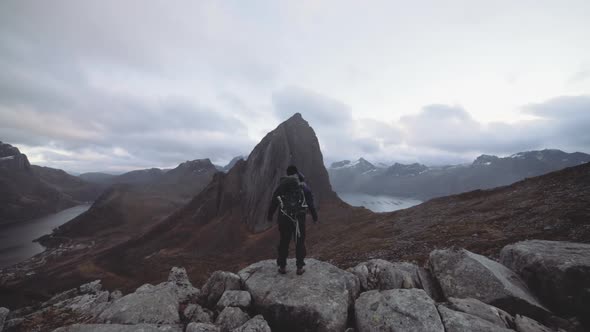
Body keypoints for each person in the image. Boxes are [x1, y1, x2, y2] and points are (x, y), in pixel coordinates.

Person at [267, 165, 318, 275]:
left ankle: (282, 266)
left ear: (287, 173)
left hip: (284, 218)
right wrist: (314, 217)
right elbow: (310, 203)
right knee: (299, 242)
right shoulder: (303, 186)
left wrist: (270, 215)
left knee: (284, 241)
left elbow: (274, 201)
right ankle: (299, 267)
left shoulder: (281, 186)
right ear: (297, 173)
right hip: (299, 218)